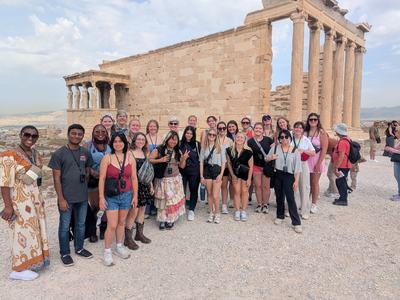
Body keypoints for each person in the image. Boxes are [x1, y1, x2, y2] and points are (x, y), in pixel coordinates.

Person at [0, 126, 49, 281]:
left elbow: (34, 179)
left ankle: (32, 261)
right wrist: (8, 206)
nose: (30, 138)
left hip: (34, 200)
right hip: (19, 201)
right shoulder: (9, 156)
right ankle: (18, 269)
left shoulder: (35, 154)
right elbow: (4, 183)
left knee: (34, 231)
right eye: (27, 135)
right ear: (20, 135)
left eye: (34, 136)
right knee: (20, 232)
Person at [48, 124, 94, 266]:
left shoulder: (85, 152)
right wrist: (61, 198)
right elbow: (56, 178)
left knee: (80, 225)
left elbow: (87, 172)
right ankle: (65, 253)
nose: (76, 136)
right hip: (66, 198)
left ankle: (79, 248)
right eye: (73, 133)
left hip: (82, 197)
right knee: (64, 226)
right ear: (68, 134)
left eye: (79, 134)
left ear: (82, 136)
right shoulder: (59, 154)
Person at [98, 132, 137, 265]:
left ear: (124, 143)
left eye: (120, 141)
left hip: (126, 194)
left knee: (122, 222)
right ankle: (107, 251)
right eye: (115, 141)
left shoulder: (130, 157)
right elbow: (102, 178)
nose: (118, 143)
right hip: (112, 195)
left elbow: (133, 178)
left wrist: (135, 195)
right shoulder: (107, 158)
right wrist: (101, 198)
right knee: (112, 224)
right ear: (112, 143)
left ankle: (119, 246)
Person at [267, 129, 302, 233]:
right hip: (278, 174)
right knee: (279, 196)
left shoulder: (295, 150)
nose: (284, 139)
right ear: (279, 139)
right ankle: (280, 216)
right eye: (281, 137)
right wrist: (270, 158)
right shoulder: (275, 148)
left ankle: (296, 222)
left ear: (290, 138)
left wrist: (296, 181)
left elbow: (298, 168)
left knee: (290, 198)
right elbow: (266, 158)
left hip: (289, 176)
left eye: (286, 137)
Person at [150, 131, 187, 230]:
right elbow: (150, 159)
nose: (173, 141)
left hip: (175, 179)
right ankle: (162, 220)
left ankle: (170, 219)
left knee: (172, 201)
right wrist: (160, 160)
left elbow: (182, 166)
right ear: (167, 139)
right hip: (163, 179)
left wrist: (184, 159)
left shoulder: (178, 151)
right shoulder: (159, 149)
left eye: (175, 139)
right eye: (171, 139)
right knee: (163, 201)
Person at [124, 132, 153, 250]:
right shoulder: (129, 153)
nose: (141, 141)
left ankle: (139, 234)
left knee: (142, 210)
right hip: (134, 185)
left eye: (143, 139)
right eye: (138, 139)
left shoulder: (145, 152)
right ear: (134, 140)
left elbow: (148, 170)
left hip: (145, 185)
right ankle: (128, 238)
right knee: (133, 212)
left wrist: (151, 185)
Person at [85, 124, 111, 243]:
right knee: (95, 206)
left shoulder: (109, 146)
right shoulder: (88, 145)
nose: (100, 133)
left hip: (108, 180)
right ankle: (92, 231)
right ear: (93, 133)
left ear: (106, 133)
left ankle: (103, 229)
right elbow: (82, 163)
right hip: (94, 180)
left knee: (105, 205)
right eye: (97, 131)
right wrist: (92, 172)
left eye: (103, 131)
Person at [200, 128, 226, 223]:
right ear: (207, 136)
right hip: (207, 171)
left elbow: (224, 163)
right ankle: (211, 212)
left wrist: (221, 174)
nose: (211, 136)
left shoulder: (221, 147)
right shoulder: (204, 148)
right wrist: (201, 176)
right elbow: (201, 163)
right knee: (209, 194)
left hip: (216, 170)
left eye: (213, 135)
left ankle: (217, 213)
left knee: (215, 195)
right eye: (210, 134)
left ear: (216, 136)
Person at [227, 132, 254, 221]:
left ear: (244, 139)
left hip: (245, 174)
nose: (239, 139)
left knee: (245, 192)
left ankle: (244, 211)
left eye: (242, 137)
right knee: (237, 192)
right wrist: (232, 175)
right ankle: (237, 210)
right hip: (235, 174)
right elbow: (229, 164)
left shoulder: (249, 151)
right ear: (235, 138)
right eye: (238, 137)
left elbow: (251, 166)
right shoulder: (230, 150)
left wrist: (249, 178)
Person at [247, 122, 273, 214]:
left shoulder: (269, 140)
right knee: (257, 186)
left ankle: (265, 204)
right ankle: (259, 204)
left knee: (266, 186)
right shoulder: (250, 141)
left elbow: (273, 151)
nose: (258, 130)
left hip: (267, 166)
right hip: (256, 166)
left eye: (260, 128)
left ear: (263, 130)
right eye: (256, 128)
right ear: (254, 130)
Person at [305, 113, 328, 214]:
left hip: (316, 160)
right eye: (311, 120)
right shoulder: (305, 132)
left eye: (315, 119)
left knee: (314, 183)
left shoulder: (321, 133)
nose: (313, 121)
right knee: (306, 183)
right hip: (306, 161)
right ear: (308, 121)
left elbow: (324, 149)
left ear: (318, 121)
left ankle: (314, 204)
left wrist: (319, 163)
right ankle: (306, 201)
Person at [292, 121, 315, 219]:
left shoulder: (306, 140)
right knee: (293, 187)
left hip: (303, 164)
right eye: (296, 127)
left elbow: (313, 152)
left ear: (302, 130)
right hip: (292, 164)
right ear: (294, 129)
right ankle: (293, 208)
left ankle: (304, 210)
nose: (298, 129)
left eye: (300, 128)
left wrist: (303, 151)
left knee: (304, 187)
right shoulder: (289, 139)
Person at [180, 126, 201, 221]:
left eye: (191, 133)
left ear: (193, 135)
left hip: (194, 171)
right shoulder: (180, 144)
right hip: (182, 170)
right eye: (187, 133)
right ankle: (179, 208)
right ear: (184, 133)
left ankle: (191, 210)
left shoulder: (197, 145)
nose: (189, 135)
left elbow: (201, 159)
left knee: (193, 189)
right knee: (181, 190)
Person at [331, 123, 352, 206]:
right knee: (341, 181)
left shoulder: (343, 142)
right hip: (345, 165)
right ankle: (342, 197)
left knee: (341, 182)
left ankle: (343, 200)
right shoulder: (347, 139)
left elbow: (341, 156)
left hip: (342, 166)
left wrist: (336, 167)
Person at [145, 119, 160, 218]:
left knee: (156, 186)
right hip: (148, 164)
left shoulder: (160, 138)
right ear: (148, 127)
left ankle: (155, 208)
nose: (152, 128)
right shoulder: (145, 138)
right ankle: (147, 209)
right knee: (148, 187)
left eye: (154, 126)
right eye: (151, 126)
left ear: (157, 128)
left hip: (158, 165)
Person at [217, 121, 233, 214]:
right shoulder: (214, 138)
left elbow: (231, 155)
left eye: (224, 128)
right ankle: (214, 204)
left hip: (226, 166)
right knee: (215, 186)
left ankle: (224, 205)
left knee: (224, 186)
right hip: (216, 166)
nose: (222, 130)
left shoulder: (230, 140)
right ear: (218, 129)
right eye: (220, 128)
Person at [384, 128, 400, 201]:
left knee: (399, 177)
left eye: (396, 132)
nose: (394, 133)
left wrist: (390, 149)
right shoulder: (398, 140)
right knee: (397, 176)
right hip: (397, 160)